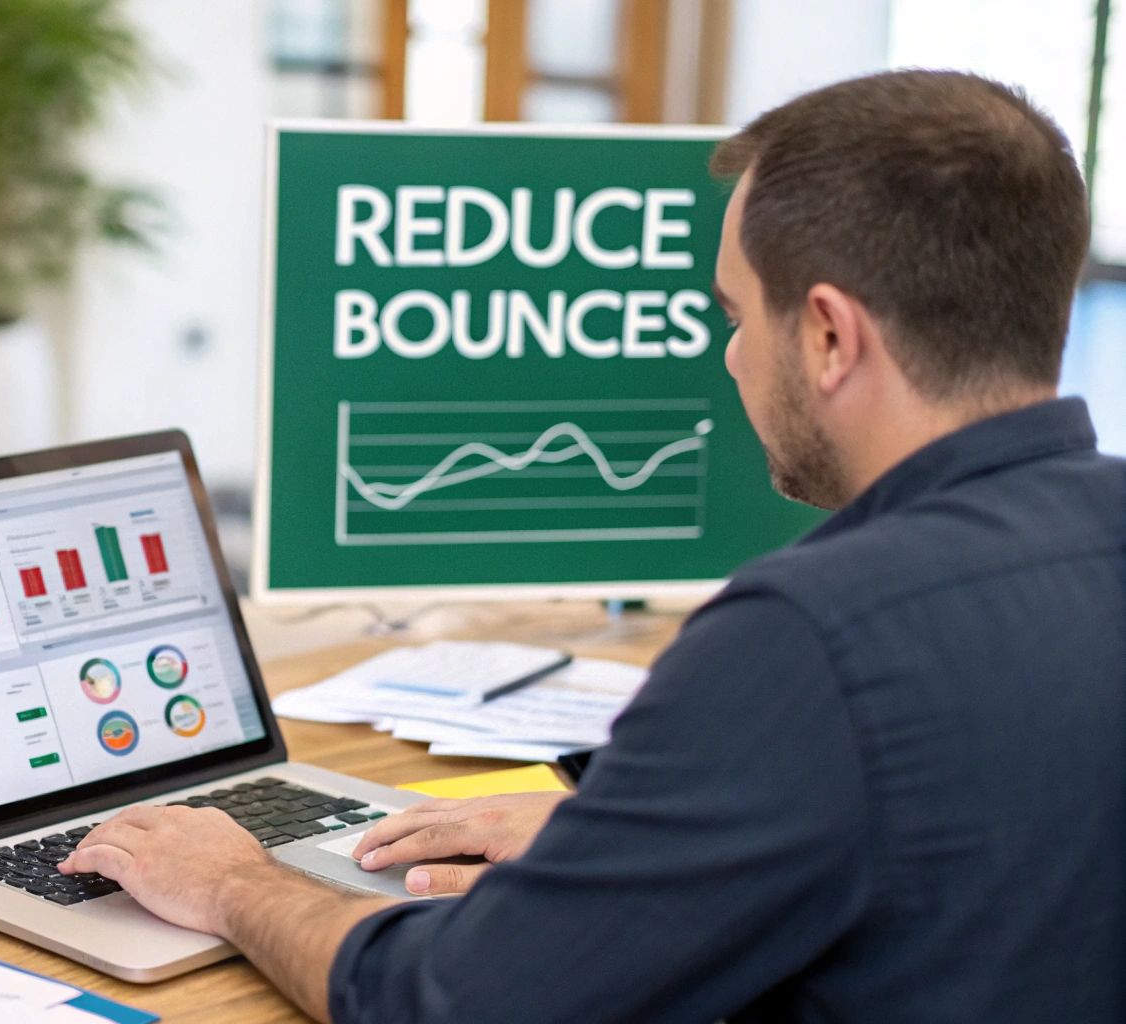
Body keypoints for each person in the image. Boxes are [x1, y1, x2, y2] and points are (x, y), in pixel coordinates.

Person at [59, 68, 1126, 1022]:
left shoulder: (806, 637)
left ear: (828, 336)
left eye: (735, 312)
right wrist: (632, 846)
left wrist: (236, 883)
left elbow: (450, 1002)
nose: (729, 352)